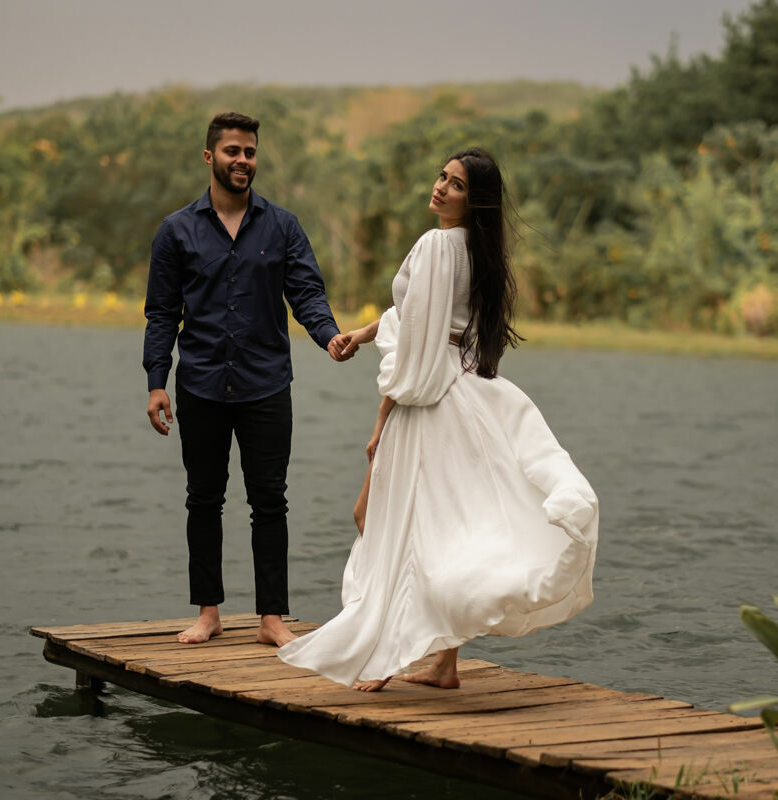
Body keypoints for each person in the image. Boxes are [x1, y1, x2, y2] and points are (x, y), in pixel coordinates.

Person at [277, 148, 598, 690]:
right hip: (465, 388)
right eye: (441, 177)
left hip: (430, 402)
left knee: (401, 527)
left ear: (474, 201)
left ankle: (382, 658)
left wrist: (383, 420)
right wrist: (365, 331)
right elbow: (419, 317)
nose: (440, 188)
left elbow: (417, 356)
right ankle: (444, 663)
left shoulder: (435, 244)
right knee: (444, 525)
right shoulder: (477, 248)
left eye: (455, 185)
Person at [144, 112, 354, 647]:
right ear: (210, 157)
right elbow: (162, 313)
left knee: (270, 500)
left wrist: (327, 335)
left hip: (266, 383)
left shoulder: (281, 225)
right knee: (202, 499)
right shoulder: (177, 230)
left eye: (251, 152)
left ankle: (271, 619)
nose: (243, 161)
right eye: (233, 151)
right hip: (201, 384)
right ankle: (208, 613)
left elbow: (306, 292)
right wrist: (156, 382)